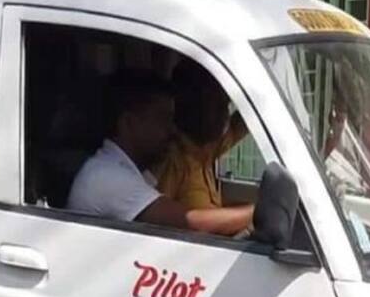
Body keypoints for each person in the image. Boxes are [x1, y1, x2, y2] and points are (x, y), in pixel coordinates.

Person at [66, 73, 254, 236]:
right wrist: (258, 212)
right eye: (162, 119)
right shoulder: (108, 176)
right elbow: (191, 222)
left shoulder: (131, 171)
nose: (172, 130)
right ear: (129, 123)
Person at [153, 61, 255, 238]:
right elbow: (157, 227)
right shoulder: (171, 160)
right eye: (217, 106)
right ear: (191, 107)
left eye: (226, 105)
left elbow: (242, 123)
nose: (225, 114)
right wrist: (254, 212)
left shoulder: (206, 148)